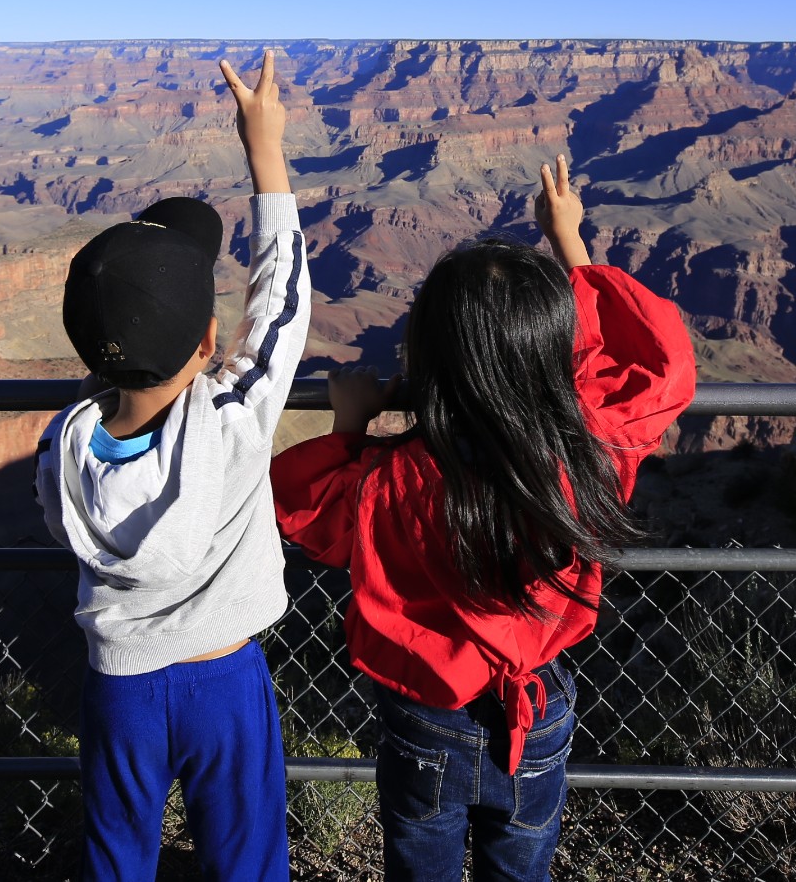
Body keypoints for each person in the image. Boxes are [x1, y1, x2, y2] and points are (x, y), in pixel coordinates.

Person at [270, 156, 695, 881]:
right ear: (550, 358)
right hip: (538, 711)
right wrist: (573, 247)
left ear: (429, 359)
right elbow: (658, 365)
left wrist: (351, 427)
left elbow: (301, 505)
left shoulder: (390, 478)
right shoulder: (588, 452)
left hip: (425, 717)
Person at [35, 49, 309, 882]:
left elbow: (67, 502)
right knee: (247, 858)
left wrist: (121, 365)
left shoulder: (63, 446)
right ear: (205, 345)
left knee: (117, 857)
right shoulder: (234, 421)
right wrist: (266, 151)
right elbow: (282, 306)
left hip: (119, 686)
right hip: (224, 679)